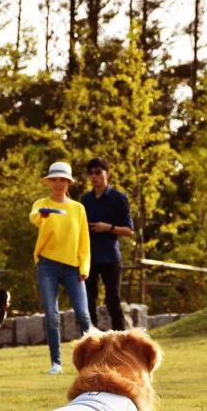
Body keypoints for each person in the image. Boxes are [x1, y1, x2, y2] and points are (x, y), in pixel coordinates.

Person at [30, 161, 93, 374]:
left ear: (68, 183)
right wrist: (44, 215)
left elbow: (84, 240)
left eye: (62, 180)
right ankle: (56, 363)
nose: (58, 183)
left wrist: (84, 267)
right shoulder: (41, 204)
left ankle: (93, 358)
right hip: (47, 265)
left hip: (73, 268)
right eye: (54, 179)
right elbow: (35, 218)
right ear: (49, 182)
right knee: (52, 313)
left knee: (83, 315)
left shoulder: (78, 209)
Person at [80, 157, 134, 331]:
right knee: (88, 300)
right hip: (89, 257)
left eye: (98, 172)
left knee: (113, 300)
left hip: (110, 257)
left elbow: (129, 231)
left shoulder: (118, 198)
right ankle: (91, 339)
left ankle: (121, 339)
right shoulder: (85, 200)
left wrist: (107, 228)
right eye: (91, 173)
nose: (94, 176)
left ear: (107, 174)